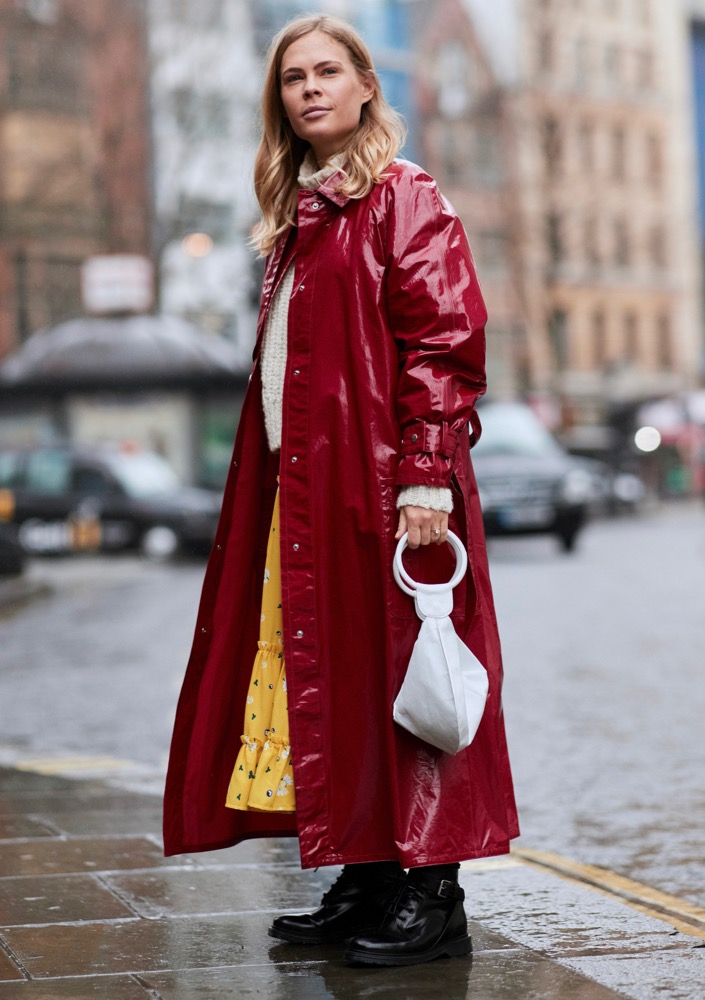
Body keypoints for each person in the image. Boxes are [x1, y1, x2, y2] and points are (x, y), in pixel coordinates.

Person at [163, 13, 519, 967]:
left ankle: (432, 894)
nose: (310, 89)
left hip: (390, 488)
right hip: (307, 493)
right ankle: (366, 872)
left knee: (406, 676)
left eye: (328, 72)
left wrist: (427, 476)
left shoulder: (404, 198)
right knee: (337, 681)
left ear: (366, 85)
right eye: (292, 78)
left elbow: (445, 344)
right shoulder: (302, 215)